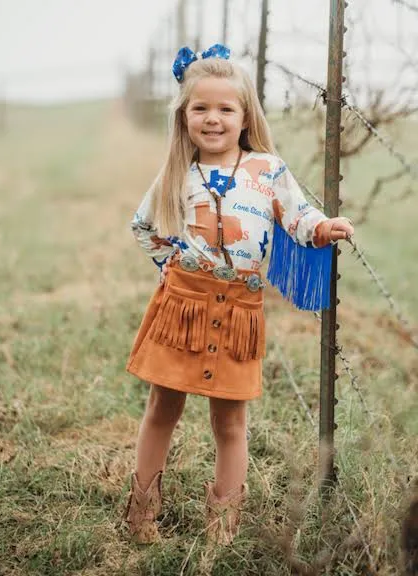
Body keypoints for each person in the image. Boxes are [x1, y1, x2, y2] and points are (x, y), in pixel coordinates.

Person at [124, 44, 354, 546]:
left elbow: (298, 217)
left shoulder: (267, 169)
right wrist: (175, 268)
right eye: (200, 108)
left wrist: (324, 227)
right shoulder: (177, 174)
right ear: (184, 116)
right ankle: (141, 515)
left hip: (240, 313)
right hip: (183, 307)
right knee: (162, 407)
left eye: (225, 108)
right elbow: (143, 226)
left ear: (245, 115)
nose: (212, 119)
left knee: (231, 421)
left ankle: (221, 527)